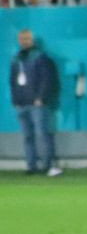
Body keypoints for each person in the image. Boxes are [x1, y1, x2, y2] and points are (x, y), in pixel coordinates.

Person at [9, 29, 61, 176]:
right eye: (21, 39)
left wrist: (41, 98)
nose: (24, 42)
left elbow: (47, 79)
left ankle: (48, 165)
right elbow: (12, 81)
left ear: (31, 40)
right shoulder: (16, 58)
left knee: (42, 134)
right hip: (21, 103)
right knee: (27, 136)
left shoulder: (40, 57)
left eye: (26, 39)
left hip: (37, 103)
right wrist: (15, 100)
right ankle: (31, 165)